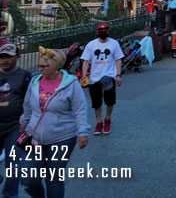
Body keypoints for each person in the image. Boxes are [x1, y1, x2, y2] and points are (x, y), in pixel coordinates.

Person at [20, 47, 89, 198]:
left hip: (62, 138)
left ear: (56, 66)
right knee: (29, 179)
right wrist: (23, 124)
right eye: (40, 65)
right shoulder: (35, 81)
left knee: (54, 179)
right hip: (35, 138)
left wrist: (83, 131)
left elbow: (80, 109)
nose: (40, 69)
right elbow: (27, 107)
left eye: (45, 66)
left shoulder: (70, 83)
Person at [0, 40, 32, 197]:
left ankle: (9, 194)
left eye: (9, 57)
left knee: (13, 165)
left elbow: (32, 101)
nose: (5, 60)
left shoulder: (25, 76)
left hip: (15, 127)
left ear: (17, 57)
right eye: (2, 56)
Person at [81, 23, 124, 135]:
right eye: (101, 31)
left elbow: (118, 60)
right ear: (97, 32)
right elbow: (85, 61)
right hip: (94, 78)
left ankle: (108, 119)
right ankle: (99, 122)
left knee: (110, 101)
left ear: (108, 32)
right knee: (96, 103)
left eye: (105, 31)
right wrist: (84, 76)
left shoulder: (114, 44)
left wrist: (118, 75)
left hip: (109, 76)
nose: (103, 33)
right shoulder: (91, 45)